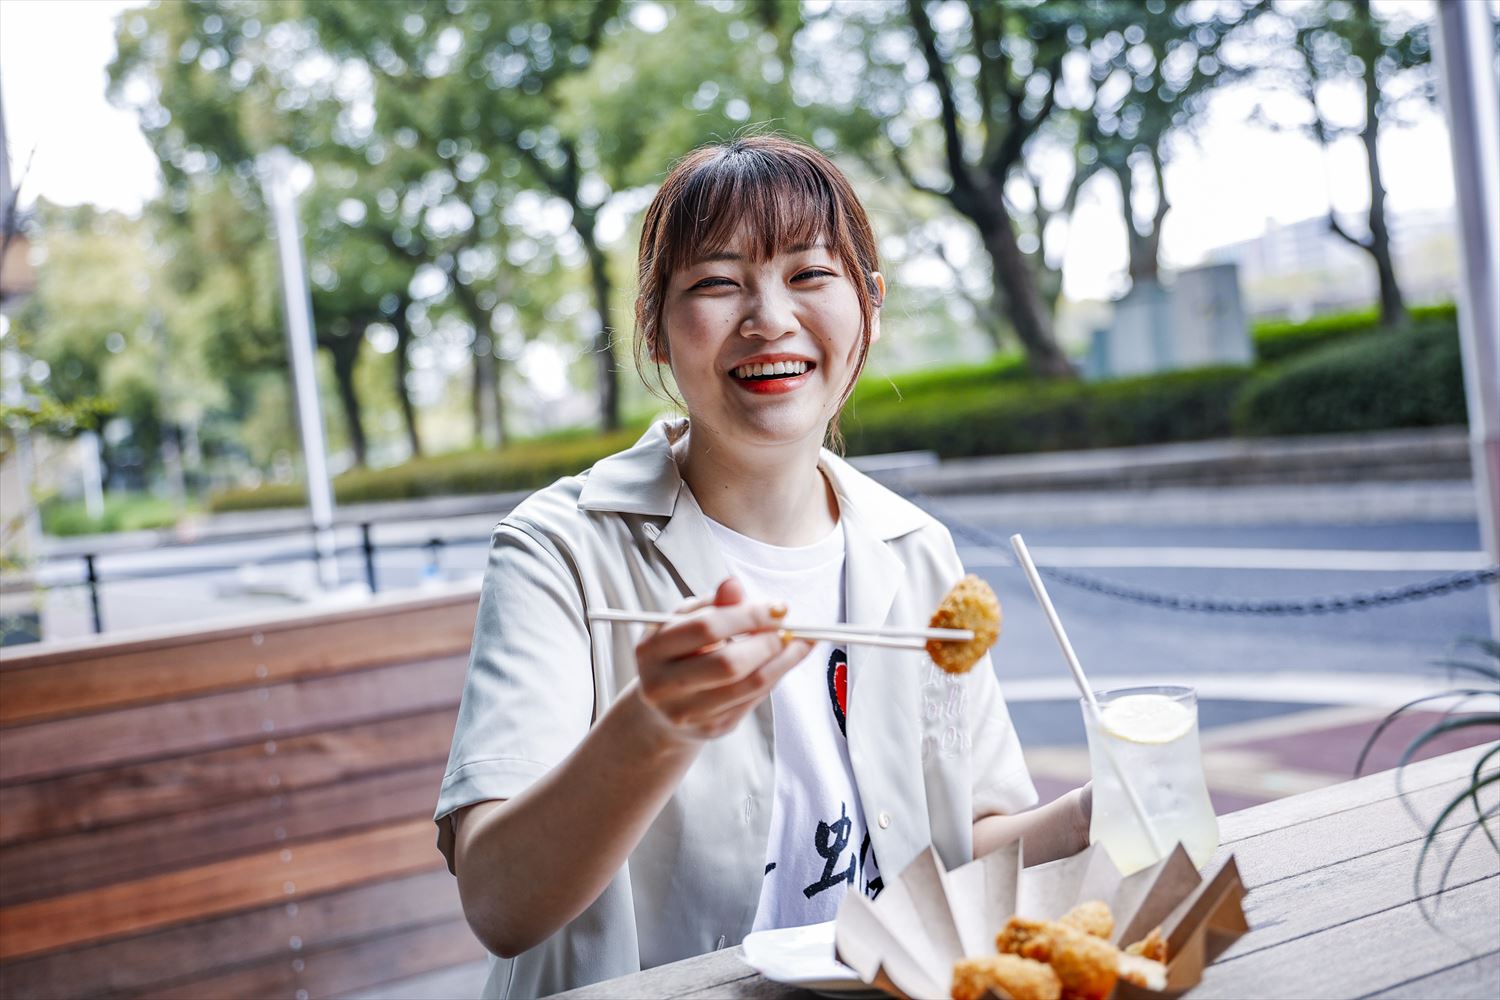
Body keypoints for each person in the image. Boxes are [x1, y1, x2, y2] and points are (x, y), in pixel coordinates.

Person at [435, 135, 1092, 999]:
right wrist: (656, 725)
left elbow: (972, 834)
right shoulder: (559, 549)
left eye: (810, 274)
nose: (770, 318)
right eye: (715, 283)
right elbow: (499, 903)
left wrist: (1097, 814)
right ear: (656, 332)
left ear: (871, 306)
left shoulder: (914, 550)